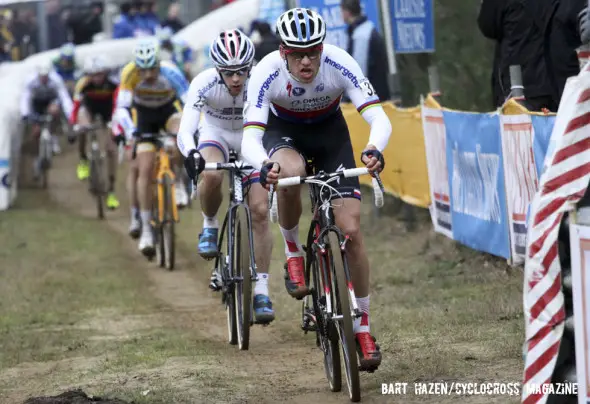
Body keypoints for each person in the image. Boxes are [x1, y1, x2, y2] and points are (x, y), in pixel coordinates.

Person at [240, 8, 391, 371]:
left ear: (323, 49)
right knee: (288, 172)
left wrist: (374, 149)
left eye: (313, 52)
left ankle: (363, 326)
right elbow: (250, 137)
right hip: (284, 133)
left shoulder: (339, 62)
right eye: (297, 54)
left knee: (351, 231)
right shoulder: (266, 72)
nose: (306, 61)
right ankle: (293, 249)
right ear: (283, 53)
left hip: (330, 137)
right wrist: (264, 164)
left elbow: (378, 116)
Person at [178, 29, 275, 323]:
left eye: (242, 71)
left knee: (259, 210)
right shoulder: (203, 83)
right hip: (216, 135)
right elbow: (185, 129)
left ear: (250, 67)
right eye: (229, 73)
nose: (236, 79)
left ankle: (261, 288)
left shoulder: (260, 80)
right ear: (217, 69)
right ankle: (209, 224)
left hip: (251, 139)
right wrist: (191, 152)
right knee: (210, 174)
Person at [115, 37, 190, 256]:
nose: (148, 75)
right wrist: (131, 132)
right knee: (145, 169)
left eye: (152, 70)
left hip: (168, 111)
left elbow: (189, 102)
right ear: (137, 67)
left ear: (158, 64)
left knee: (178, 135)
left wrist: (188, 128)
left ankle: (177, 183)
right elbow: (122, 109)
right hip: (145, 118)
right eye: (143, 70)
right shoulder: (129, 74)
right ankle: (147, 229)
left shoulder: (171, 73)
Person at [68, 55, 121, 210]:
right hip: (89, 109)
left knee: (111, 149)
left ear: (105, 73)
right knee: (83, 125)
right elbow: (76, 107)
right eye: (93, 74)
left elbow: (119, 104)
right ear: (88, 75)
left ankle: (111, 191)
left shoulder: (113, 84)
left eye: (100, 74)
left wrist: (116, 126)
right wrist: (73, 126)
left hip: (109, 111)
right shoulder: (82, 84)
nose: (97, 78)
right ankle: (83, 159)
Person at [20, 61, 73, 178]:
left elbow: (64, 97)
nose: (44, 78)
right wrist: (25, 114)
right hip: (37, 104)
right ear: (38, 75)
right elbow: (25, 98)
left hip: (51, 101)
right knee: (36, 132)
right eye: (42, 76)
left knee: (54, 111)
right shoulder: (30, 80)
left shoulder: (56, 79)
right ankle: (36, 157)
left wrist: (70, 114)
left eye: (46, 76)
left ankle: (54, 138)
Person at [340, 0, 390, 101]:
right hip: (377, 97)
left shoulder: (361, 36)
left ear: (347, 12)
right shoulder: (366, 29)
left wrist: (352, 98)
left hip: (371, 101)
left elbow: (359, 73)